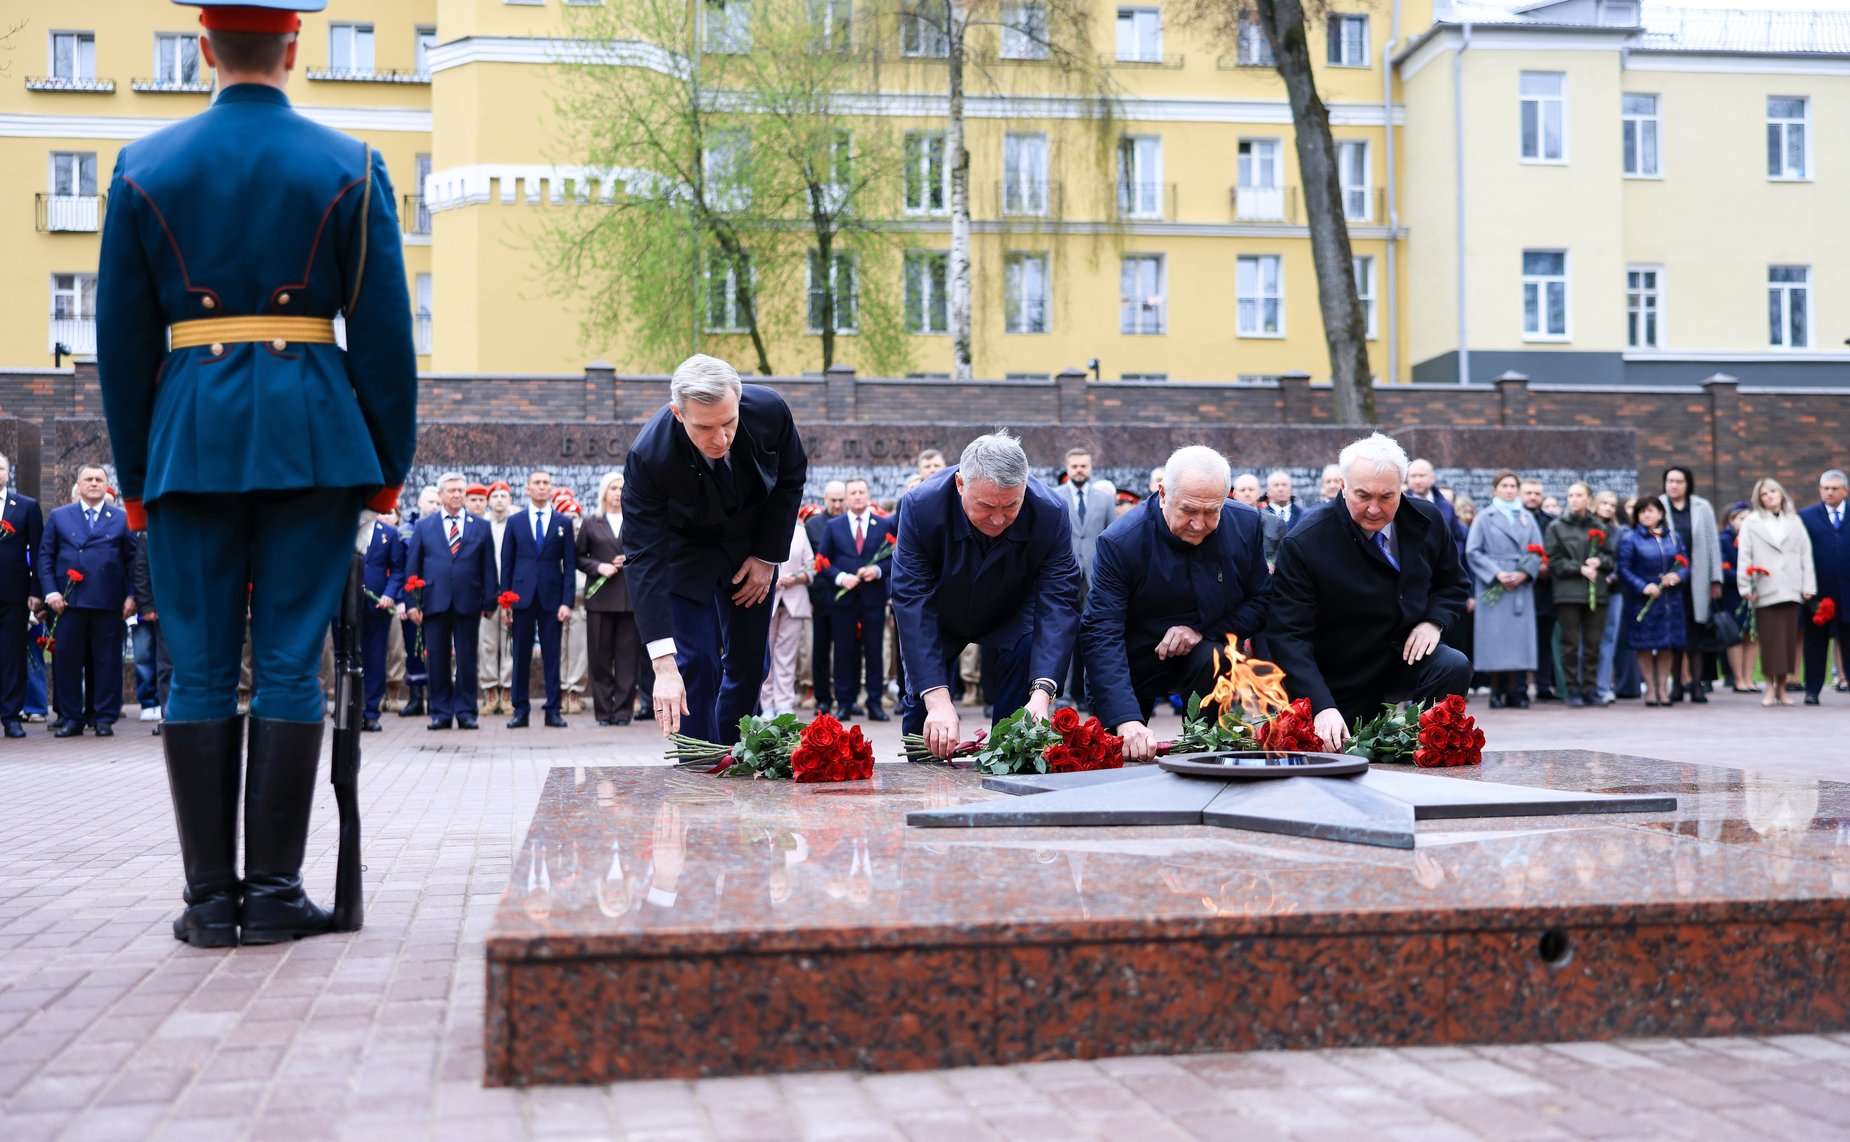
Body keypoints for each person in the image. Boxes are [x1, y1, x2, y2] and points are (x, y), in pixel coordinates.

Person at [95, 0, 419, 947]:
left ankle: (209, 905)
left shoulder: (142, 166)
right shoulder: (351, 163)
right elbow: (386, 340)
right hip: (314, 437)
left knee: (196, 667)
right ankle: (274, 895)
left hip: (189, 440)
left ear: (203, 47)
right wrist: (386, 466)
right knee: (287, 664)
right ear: (294, 44)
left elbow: (121, 345)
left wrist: (136, 475)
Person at [624, 354, 808, 744]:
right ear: (678, 413)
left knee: (751, 662)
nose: (721, 439)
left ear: (738, 401)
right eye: (705, 427)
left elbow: (791, 477)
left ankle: (733, 752)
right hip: (685, 550)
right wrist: (663, 664)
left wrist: (767, 555)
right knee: (695, 663)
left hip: (752, 546)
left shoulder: (770, 411)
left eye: (729, 422)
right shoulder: (648, 457)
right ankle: (699, 763)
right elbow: (643, 555)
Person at [1266, 433, 1471, 749]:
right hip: (1342, 674)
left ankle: (1427, 748)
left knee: (1452, 664)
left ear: (1402, 488)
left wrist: (1434, 621)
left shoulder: (1427, 519)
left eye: (1387, 496)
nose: (1374, 509)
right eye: (1362, 495)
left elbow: (1453, 583)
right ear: (1343, 486)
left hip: (1404, 656)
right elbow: (1288, 634)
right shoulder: (1305, 542)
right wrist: (1321, 706)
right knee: (1344, 751)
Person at [891, 431, 1081, 758]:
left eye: (1011, 506)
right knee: (927, 717)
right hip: (940, 613)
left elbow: (1059, 601)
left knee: (1022, 721)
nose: (998, 519)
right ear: (960, 484)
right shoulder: (921, 506)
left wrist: (1041, 695)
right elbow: (912, 599)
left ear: (1025, 488)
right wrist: (937, 699)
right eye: (986, 506)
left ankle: (1010, 760)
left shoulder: (1051, 511)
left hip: (1013, 613)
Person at [1081, 446, 1270, 762]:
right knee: (1116, 758)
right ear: (1163, 494)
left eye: (1212, 512)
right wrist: (1125, 719)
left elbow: (1262, 600)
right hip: (1132, 660)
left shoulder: (1245, 525)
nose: (1198, 524)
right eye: (1188, 510)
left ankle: (1205, 757)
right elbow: (1101, 631)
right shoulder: (1121, 541)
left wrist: (1202, 633)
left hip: (1206, 656)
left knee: (1215, 657)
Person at [39, 466, 139, 737]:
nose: (94, 483)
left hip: (108, 602)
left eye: (99, 480)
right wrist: (51, 593)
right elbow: (45, 557)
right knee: (67, 663)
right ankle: (71, 718)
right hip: (67, 603)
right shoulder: (60, 516)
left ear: (106, 485)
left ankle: (104, 718)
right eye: (89, 479)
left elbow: (133, 560)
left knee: (107, 662)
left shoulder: (121, 518)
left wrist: (132, 595)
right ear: (79, 484)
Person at [405, 474, 497, 730]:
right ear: (441, 494)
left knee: (467, 659)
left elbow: (489, 566)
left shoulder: (481, 526)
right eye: (452, 490)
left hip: (469, 601)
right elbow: (413, 565)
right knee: (436, 659)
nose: (457, 494)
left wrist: (490, 601)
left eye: (460, 490)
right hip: (434, 600)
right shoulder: (424, 526)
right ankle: (441, 712)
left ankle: (466, 711)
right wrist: (411, 602)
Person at [501, 469, 576, 729]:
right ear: (528, 488)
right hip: (521, 598)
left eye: (546, 483)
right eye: (537, 482)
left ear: (551, 488)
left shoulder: (563, 523)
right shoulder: (515, 521)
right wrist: (506, 601)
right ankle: (520, 710)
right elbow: (507, 562)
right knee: (520, 655)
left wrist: (567, 601)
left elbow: (569, 564)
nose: (542, 486)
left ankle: (553, 710)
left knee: (552, 656)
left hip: (552, 599)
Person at [1465, 472, 1543, 708]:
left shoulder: (1527, 518)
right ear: (1495, 489)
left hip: (1519, 586)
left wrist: (1524, 572)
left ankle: (1517, 691)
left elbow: (1537, 551)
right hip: (1493, 585)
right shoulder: (1484, 517)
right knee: (1495, 641)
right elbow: (1473, 551)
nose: (1509, 490)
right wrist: (1496, 573)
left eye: (1512, 486)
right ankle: (1496, 691)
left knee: (1519, 641)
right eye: (1504, 485)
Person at [819, 477, 895, 722]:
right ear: (847, 497)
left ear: (868, 495)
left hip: (873, 599)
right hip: (844, 601)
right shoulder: (834, 526)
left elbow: (894, 559)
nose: (858, 496)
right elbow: (822, 562)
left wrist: (878, 570)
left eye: (862, 492)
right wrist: (841, 578)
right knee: (843, 652)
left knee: (874, 652)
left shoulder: (883, 524)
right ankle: (844, 703)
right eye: (853, 493)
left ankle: (874, 703)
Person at [1736, 478, 1815, 708]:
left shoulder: (1794, 521)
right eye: (1764, 494)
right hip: (1764, 588)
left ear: (1780, 493)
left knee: (1789, 640)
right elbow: (1745, 555)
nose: (1769, 496)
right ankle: (1769, 687)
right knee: (1770, 641)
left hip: (1791, 586)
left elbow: (1805, 554)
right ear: (1758, 499)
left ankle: (1782, 687)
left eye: (1772, 491)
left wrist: (1808, 586)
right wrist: (1745, 586)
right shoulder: (1752, 522)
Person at [1544, 482, 1615, 707]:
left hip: (1596, 593)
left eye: (1578, 495)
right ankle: (1572, 689)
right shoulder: (1556, 527)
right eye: (1570, 495)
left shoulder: (1599, 527)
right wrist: (1579, 568)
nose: (1573, 499)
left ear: (1588, 499)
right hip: (1568, 593)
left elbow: (1610, 558)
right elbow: (1553, 560)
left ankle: (1590, 689)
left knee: (1593, 644)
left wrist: (1599, 561)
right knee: (1570, 644)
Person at [577, 472, 639, 725]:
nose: (617, 492)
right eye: (613, 488)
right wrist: (598, 567)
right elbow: (578, 557)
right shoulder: (591, 522)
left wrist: (631, 559)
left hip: (629, 600)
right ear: (604, 492)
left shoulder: (635, 520)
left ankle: (623, 712)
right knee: (600, 659)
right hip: (600, 600)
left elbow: (650, 552)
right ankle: (603, 713)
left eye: (621, 488)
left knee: (627, 659)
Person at [1657, 465, 1723, 703]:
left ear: (1688, 484)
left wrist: (1716, 578)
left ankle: (1696, 685)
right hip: (1671, 579)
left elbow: (1713, 544)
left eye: (1679, 481)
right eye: (1670, 481)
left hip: (1698, 578)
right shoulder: (1658, 506)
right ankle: (1676, 684)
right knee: (1674, 632)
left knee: (1697, 632)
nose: (1673, 485)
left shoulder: (1702, 507)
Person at [1059, 447, 1115, 710]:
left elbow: (1112, 536)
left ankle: (1091, 695)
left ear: (1090, 467)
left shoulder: (1105, 499)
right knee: (1063, 637)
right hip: (1065, 576)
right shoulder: (1055, 496)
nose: (1079, 470)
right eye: (1075, 466)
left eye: (1083, 465)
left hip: (1096, 577)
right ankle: (1062, 695)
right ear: (1067, 468)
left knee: (1095, 635)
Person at [1617, 499, 1687, 706]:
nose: (1646, 515)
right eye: (1641, 512)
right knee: (1645, 645)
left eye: (1650, 511)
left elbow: (1685, 563)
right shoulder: (1631, 539)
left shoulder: (1673, 537)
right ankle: (1650, 688)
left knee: (1667, 644)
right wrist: (1642, 586)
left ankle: (1663, 688)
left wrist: (1678, 576)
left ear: (1660, 513)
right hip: (1643, 600)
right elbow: (1624, 568)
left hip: (1670, 600)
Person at [0, 454, 43, 740]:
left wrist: (36, 592)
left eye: (0, 468)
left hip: (12, 594)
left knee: (12, 656)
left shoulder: (26, 506)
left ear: (8, 472)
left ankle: (11, 716)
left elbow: (38, 552)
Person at [1799, 469, 1850, 706]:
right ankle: (1812, 690)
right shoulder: (1806, 517)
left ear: (1845, 491)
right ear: (1819, 490)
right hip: (1818, 593)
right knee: (1815, 643)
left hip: (1847, 591)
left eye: (1834, 488)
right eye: (1825, 488)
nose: (1829, 492)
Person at [757, 520, 814, 717]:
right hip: (764, 598)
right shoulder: (760, 528)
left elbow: (811, 567)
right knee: (765, 655)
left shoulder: (800, 532)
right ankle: (766, 705)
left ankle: (784, 705)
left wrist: (794, 578)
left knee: (787, 657)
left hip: (794, 602)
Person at [355, 512, 405, 731]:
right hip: (345, 606)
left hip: (378, 607)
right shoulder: (343, 529)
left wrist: (389, 594)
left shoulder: (389, 533)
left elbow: (398, 569)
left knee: (375, 659)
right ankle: (348, 709)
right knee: (346, 658)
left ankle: (371, 712)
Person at [1593, 491, 1643, 702]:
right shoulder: (1585, 528)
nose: (1608, 507)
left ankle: (1603, 686)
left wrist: (1612, 576)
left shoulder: (1619, 532)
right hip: (1587, 589)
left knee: (1608, 639)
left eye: (1612, 505)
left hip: (1613, 590)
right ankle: (1584, 685)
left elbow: (1621, 560)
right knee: (1588, 640)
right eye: (1604, 503)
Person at [396, 486, 439, 718]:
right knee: (413, 648)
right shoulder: (404, 531)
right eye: (430, 502)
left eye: (437, 503)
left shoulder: (444, 529)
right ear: (419, 502)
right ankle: (415, 699)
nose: (434, 506)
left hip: (436, 597)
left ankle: (436, 699)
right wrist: (403, 600)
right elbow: (399, 567)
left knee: (436, 648)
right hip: (411, 597)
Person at [803, 481, 846, 713]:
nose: (837, 504)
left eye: (841, 500)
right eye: (833, 500)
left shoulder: (850, 522)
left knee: (845, 650)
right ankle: (823, 698)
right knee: (820, 649)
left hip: (848, 597)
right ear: (825, 500)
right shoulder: (813, 525)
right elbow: (813, 561)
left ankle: (845, 697)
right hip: (821, 597)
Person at [1519, 478, 1561, 702]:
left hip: (1545, 590)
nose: (1533, 497)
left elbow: (1558, 551)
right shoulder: (1514, 519)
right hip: (1519, 588)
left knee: (1544, 641)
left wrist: (1549, 567)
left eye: (1537, 493)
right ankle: (1519, 687)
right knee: (1520, 641)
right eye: (1528, 493)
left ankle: (1544, 685)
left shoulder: (1553, 523)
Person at [477, 482, 515, 714]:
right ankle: (490, 692)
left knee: (509, 644)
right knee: (487, 643)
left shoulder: (517, 523)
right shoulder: (481, 526)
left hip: (511, 594)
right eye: (495, 496)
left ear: (510, 499)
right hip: (487, 594)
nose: (499, 500)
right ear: (488, 501)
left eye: (504, 495)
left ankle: (507, 693)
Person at [1718, 502, 1759, 694]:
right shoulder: (1724, 540)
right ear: (1731, 520)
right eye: (1741, 519)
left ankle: (1749, 678)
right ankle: (1738, 678)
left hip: (1755, 593)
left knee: (1752, 635)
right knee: (1736, 636)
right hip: (1733, 594)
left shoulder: (1757, 539)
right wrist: (1746, 577)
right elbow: (1722, 569)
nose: (1745, 522)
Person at [1406, 459, 1465, 550]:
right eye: (1413, 476)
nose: (1417, 481)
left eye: (1422, 475)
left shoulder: (1446, 506)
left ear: (1432, 477)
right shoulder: (1401, 505)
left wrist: (1451, 557)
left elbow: (1457, 538)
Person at [1232, 472, 1285, 568]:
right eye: (1242, 490)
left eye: (1251, 489)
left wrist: (1273, 563)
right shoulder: (1224, 521)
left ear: (1259, 493)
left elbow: (1283, 552)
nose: (1247, 493)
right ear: (1235, 494)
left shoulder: (1276, 522)